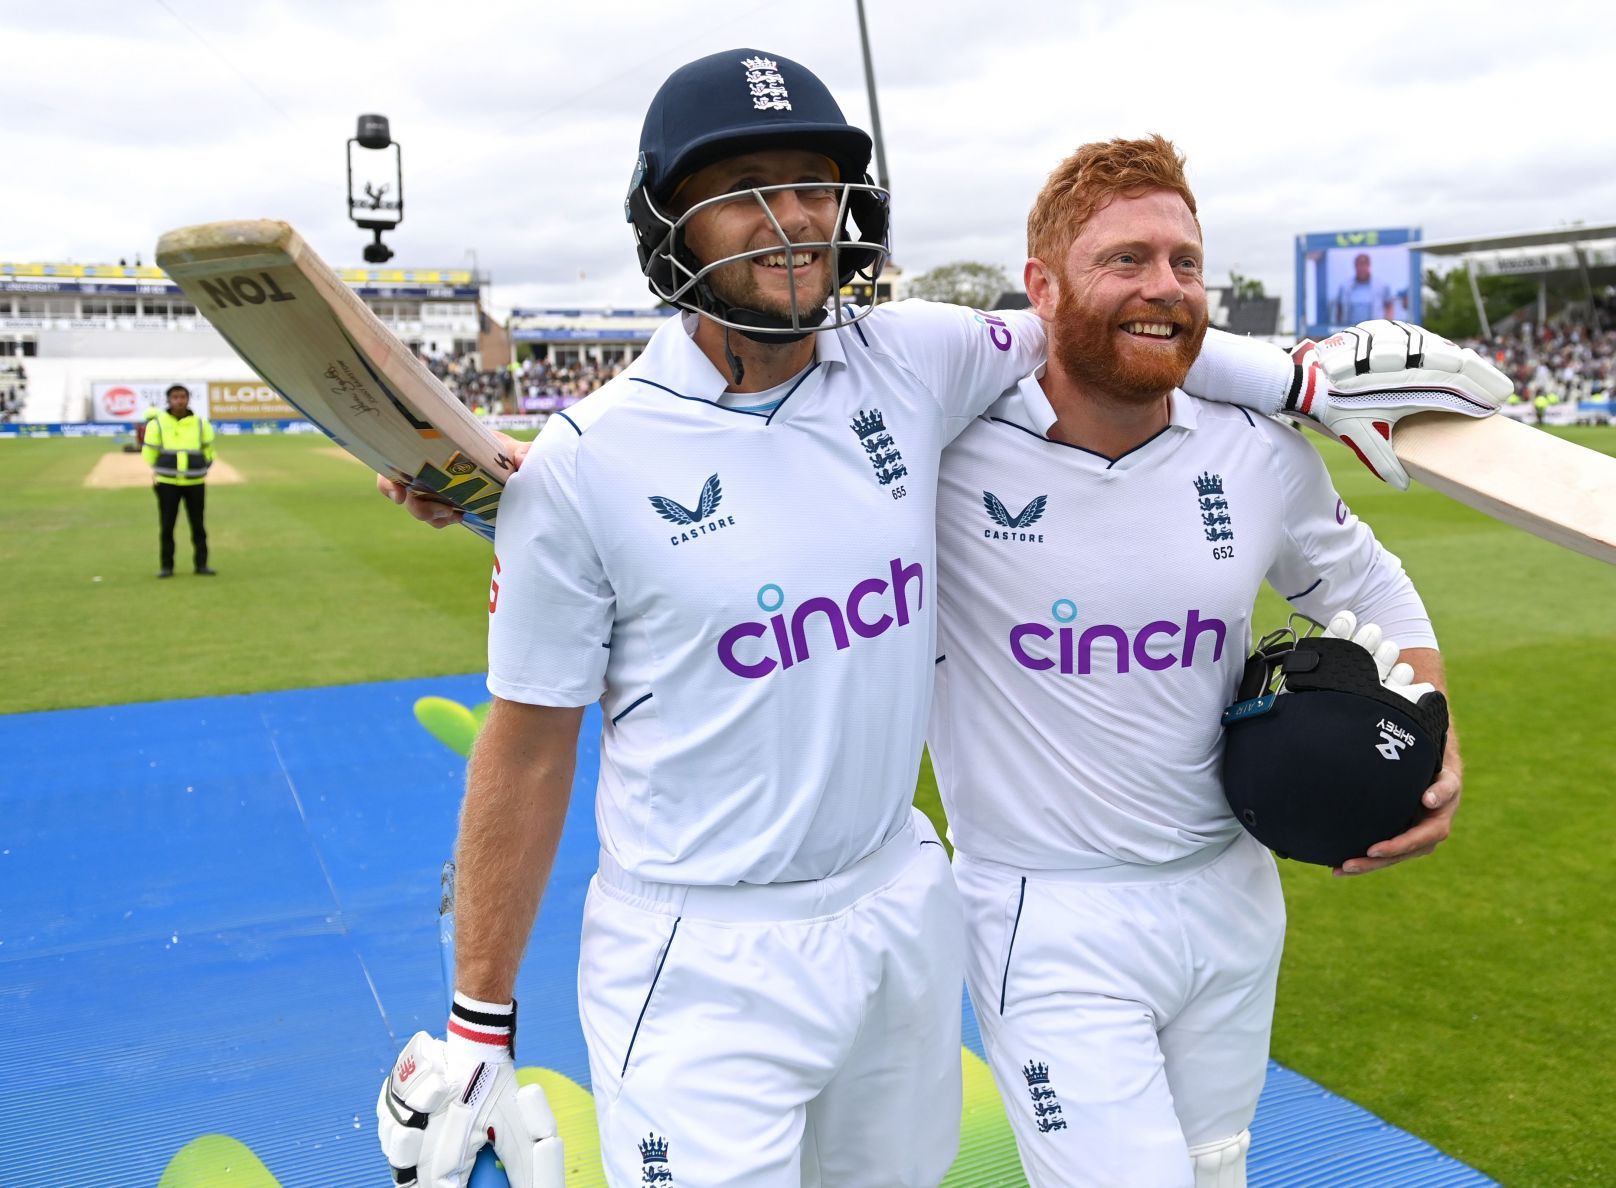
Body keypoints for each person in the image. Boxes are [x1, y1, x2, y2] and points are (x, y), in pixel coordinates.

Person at [375, 50, 1495, 1188]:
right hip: (704, 943)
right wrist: (479, 1021)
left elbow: (1114, 338)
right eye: (746, 189)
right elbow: (524, 748)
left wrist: (1299, 383)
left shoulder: (910, 361)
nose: (793, 220)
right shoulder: (583, 466)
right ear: (667, 220)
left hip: (898, 908)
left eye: (814, 186)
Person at [932, 135, 1463, 1188]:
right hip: (1046, 914)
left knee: (1218, 1170)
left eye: (1185, 261)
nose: (1164, 287)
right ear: (1041, 285)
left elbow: (1368, 587)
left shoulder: (1256, 451)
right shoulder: (946, 443)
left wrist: (1432, 737)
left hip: (1231, 889)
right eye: (1125, 260)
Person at [142, 384, 215, 577]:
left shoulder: (200, 423)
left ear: (188, 399)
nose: (179, 400)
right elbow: (149, 451)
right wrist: (161, 469)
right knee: (167, 526)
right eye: (175, 397)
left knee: (198, 526)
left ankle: (201, 565)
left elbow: (209, 450)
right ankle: (167, 566)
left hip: (195, 483)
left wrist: (202, 467)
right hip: (167, 483)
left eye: (183, 397)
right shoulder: (157, 423)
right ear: (169, 400)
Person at [1332, 251, 1394, 323]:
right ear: (1355, 266)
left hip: (1374, 329)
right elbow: (1339, 309)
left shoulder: (1382, 286)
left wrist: (1387, 324)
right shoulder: (1344, 287)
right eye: (1359, 265)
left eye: (1364, 265)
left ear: (1369, 265)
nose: (1361, 268)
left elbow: (1389, 306)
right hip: (1351, 328)